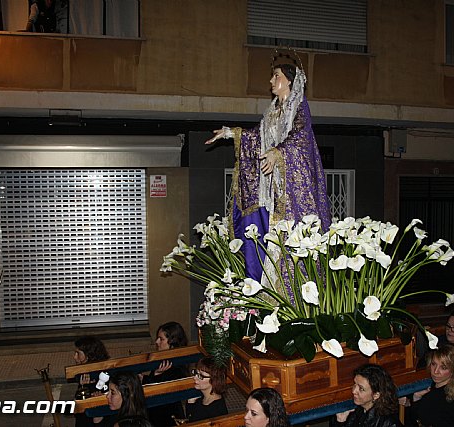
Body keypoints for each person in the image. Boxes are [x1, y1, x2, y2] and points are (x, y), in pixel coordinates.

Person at [205, 60, 331, 302]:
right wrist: (231, 132)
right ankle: (269, 299)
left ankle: (291, 300)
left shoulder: (299, 109)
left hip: (290, 193)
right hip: (272, 191)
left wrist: (278, 152)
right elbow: (257, 136)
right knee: (268, 241)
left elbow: (300, 138)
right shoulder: (272, 112)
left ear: (290, 81)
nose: (272, 81)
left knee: (286, 246)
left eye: (276, 76)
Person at [400, 344, 454, 427]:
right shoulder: (433, 388)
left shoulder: (453, 402)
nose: (435, 371)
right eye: (433, 364)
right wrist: (416, 398)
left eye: (443, 367)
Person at [142, 321, 188, 426]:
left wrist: (150, 377)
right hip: (156, 413)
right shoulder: (164, 359)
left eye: (161, 339)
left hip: (167, 417)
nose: (157, 342)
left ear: (172, 342)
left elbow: (160, 391)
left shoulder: (177, 365)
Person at [332, 364, 402, 427]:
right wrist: (340, 422)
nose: (353, 391)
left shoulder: (388, 423)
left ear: (376, 395)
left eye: (361, 389)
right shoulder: (356, 410)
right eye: (355, 384)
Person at [73, 336, 110, 427]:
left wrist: (85, 389)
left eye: (78, 353)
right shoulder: (85, 375)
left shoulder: (103, 377)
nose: (74, 357)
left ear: (89, 355)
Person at [185, 356, 228, 422]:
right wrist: (190, 403)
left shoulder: (216, 411)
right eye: (196, 373)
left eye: (201, 376)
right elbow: (190, 418)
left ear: (214, 380)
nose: (195, 377)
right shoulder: (201, 398)